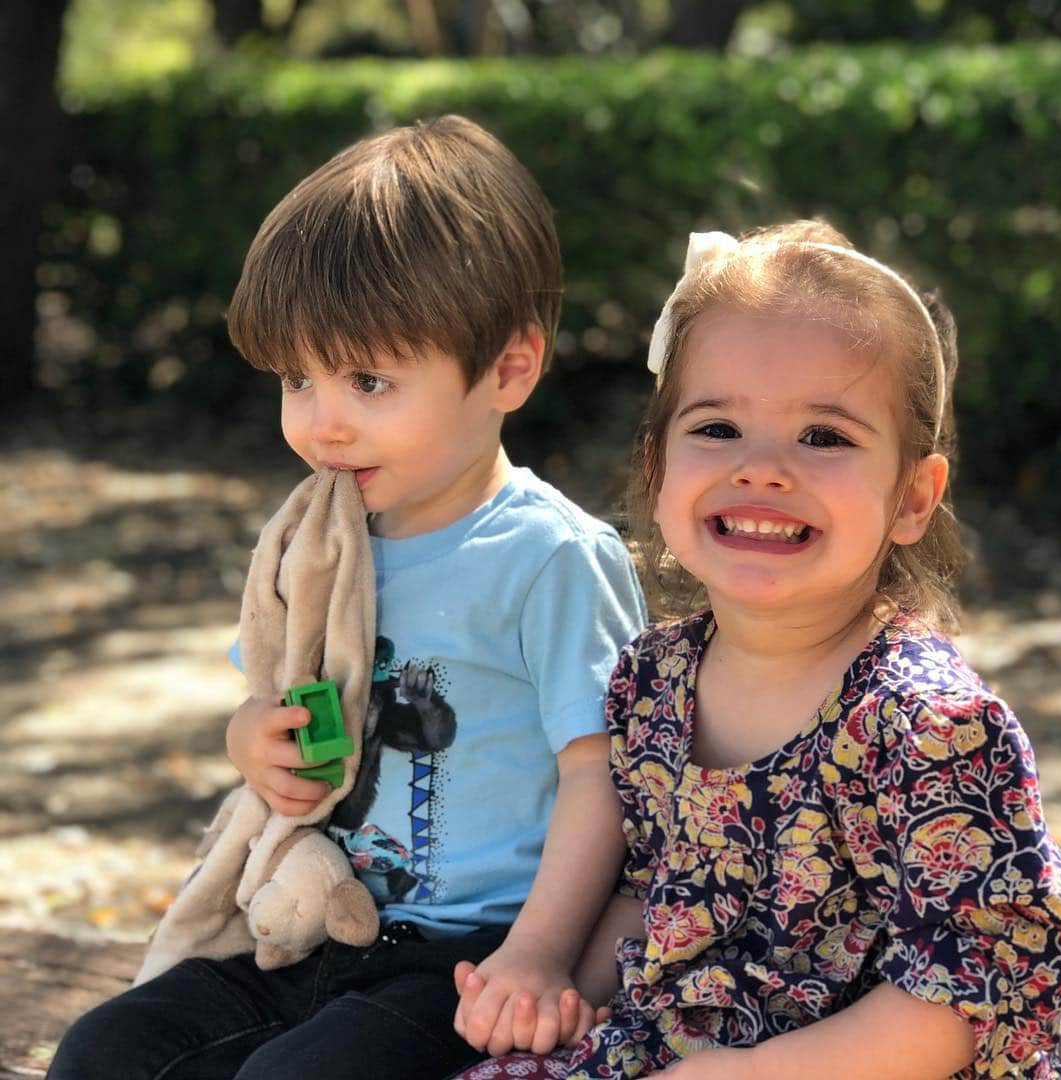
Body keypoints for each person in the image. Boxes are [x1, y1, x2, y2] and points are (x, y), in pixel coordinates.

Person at [47, 114, 647, 1080]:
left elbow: (606, 775)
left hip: (472, 953)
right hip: (314, 920)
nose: (323, 424)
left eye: (369, 380)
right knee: (105, 1051)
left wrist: (539, 953)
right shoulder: (323, 541)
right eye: (298, 378)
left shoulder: (549, 557)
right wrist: (253, 741)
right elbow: (266, 701)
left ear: (508, 369)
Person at [452, 221, 1061, 1079]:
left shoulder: (931, 728)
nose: (764, 470)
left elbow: (961, 1003)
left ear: (912, 497)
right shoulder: (654, 680)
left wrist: (743, 1073)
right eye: (716, 429)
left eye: (825, 438)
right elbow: (651, 896)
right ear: (657, 466)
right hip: (673, 1046)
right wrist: (555, 986)